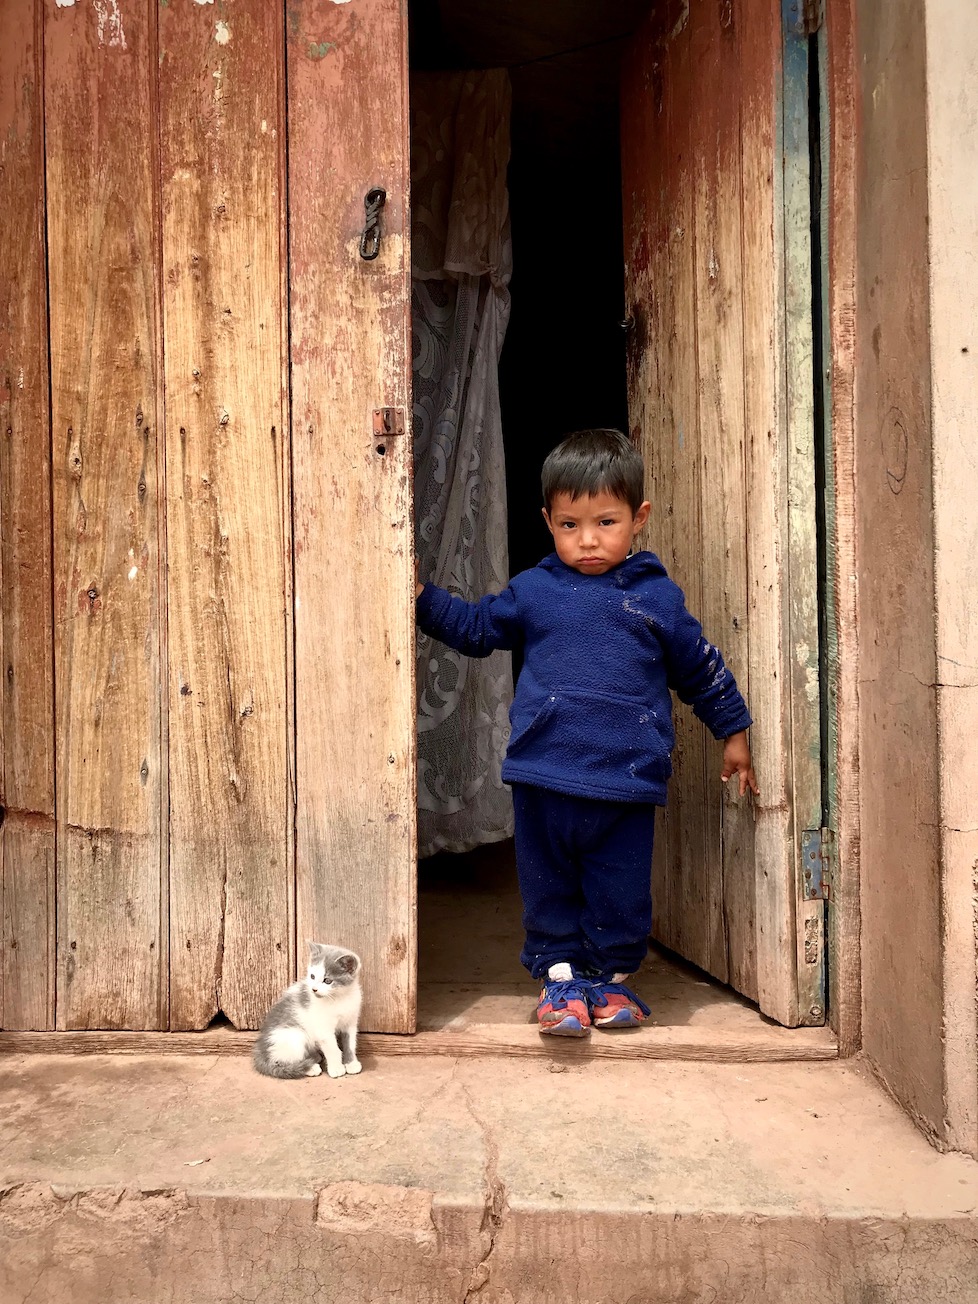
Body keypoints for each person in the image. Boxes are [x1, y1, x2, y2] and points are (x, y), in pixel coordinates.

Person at [415, 429, 759, 1037]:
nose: (589, 540)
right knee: (547, 889)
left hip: (625, 782)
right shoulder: (536, 592)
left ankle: (608, 982)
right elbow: (474, 629)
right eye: (570, 525)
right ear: (548, 521)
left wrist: (732, 730)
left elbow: (699, 668)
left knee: (619, 893)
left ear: (639, 517)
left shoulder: (656, 598)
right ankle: (559, 986)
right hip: (545, 776)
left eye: (606, 521)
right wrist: (419, 597)